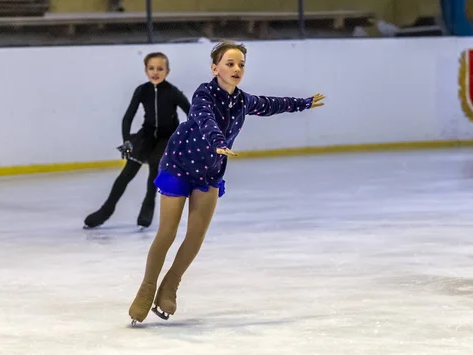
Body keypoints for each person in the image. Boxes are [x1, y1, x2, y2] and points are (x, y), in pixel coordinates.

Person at [128, 40, 325, 324]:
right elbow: (203, 118)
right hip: (180, 164)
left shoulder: (243, 100)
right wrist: (218, 141)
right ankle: (146, 289)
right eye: (230, 64)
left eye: (241, 65)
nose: (236, 69)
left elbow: (272, 104)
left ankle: (170, 284)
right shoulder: (203, 94)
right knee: (167, 233)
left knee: (196, 234)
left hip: (209, 172)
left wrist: (303, 104)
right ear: (215, 67)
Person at [84, 52, 191, 229]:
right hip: (146, 135)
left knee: (155, 167)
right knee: (126, 174)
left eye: (160, 69)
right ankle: (106, 210)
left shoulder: (173, 92)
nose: (155, 72)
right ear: (145, 70)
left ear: (167, 71)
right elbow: (128, 117)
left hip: (167, 137)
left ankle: (148, 206)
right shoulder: (142, 90)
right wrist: (127, 142)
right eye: (151, 68)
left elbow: (191, 113)